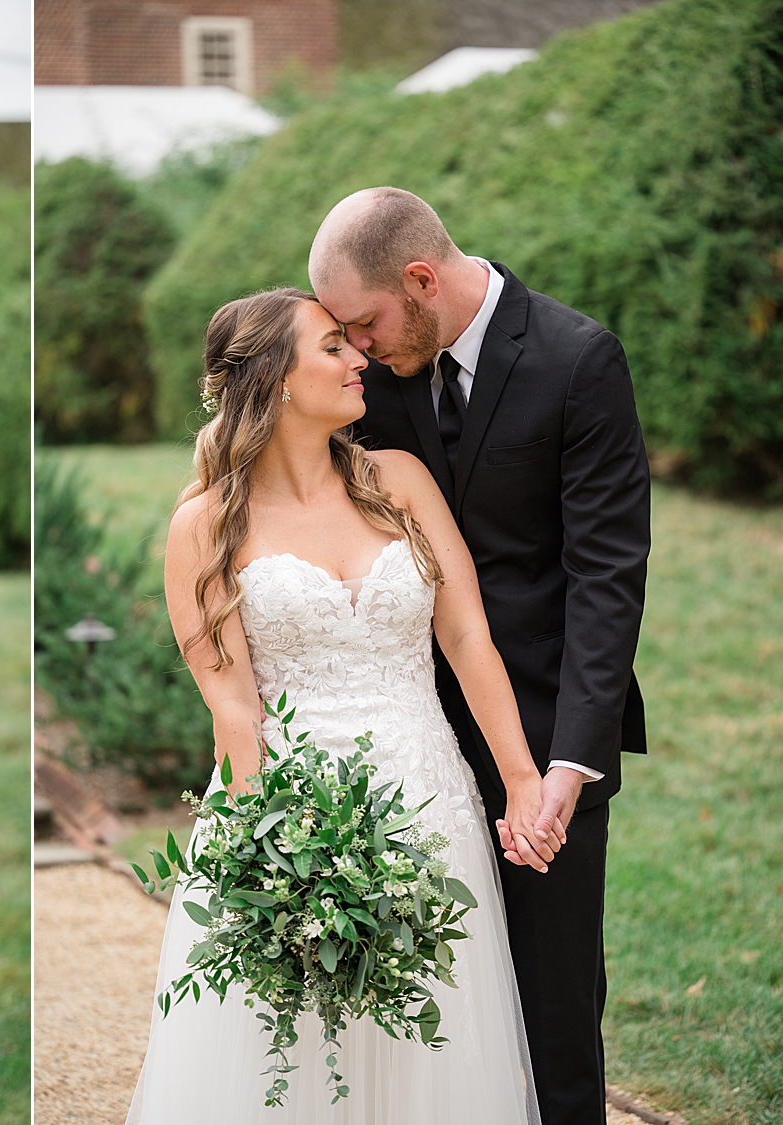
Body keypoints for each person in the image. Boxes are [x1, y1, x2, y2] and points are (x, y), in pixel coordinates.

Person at [127, 288, 550, 1124]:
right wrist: (271, 859)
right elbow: (235, 708)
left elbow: (468, 642)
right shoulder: (205, 525)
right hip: (293, 815)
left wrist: (521, 778)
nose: (360, 358)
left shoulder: (401, 481)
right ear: (276, 377)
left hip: (431, 806)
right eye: (333, 346)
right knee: (298, 1052)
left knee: (433, 1045)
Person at [309, 187, 649, 1125]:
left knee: (554, 1011)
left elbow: (608, 579)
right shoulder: (368, 377)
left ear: (421, 278)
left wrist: (568, 763)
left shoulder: (579, 360)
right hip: (405, 738)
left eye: (366, 323)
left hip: (544, 736)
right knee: (418, 1017)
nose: (359, 348)